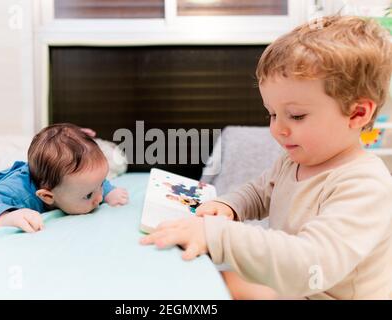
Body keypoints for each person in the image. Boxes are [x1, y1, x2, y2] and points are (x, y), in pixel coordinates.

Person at [140, 15, 392, 299]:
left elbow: (310, 265)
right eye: (272, 113)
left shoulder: (366, 186)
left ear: (357, 114)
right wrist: (230, 206)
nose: (278, 128)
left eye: (296, 115)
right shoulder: (296, 161)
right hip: (295, 289)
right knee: (209, 284)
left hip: (316, 287)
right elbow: (260, 192)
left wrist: (217, 235)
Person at [0, 123, 129, 232]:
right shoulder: (18, 193)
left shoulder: (82, 184)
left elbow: (91, 182)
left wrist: (109, 191)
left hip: (34, 167)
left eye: (101, 185)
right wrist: (8, 216)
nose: (99, 198)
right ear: (48, 196)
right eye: (88, 196)